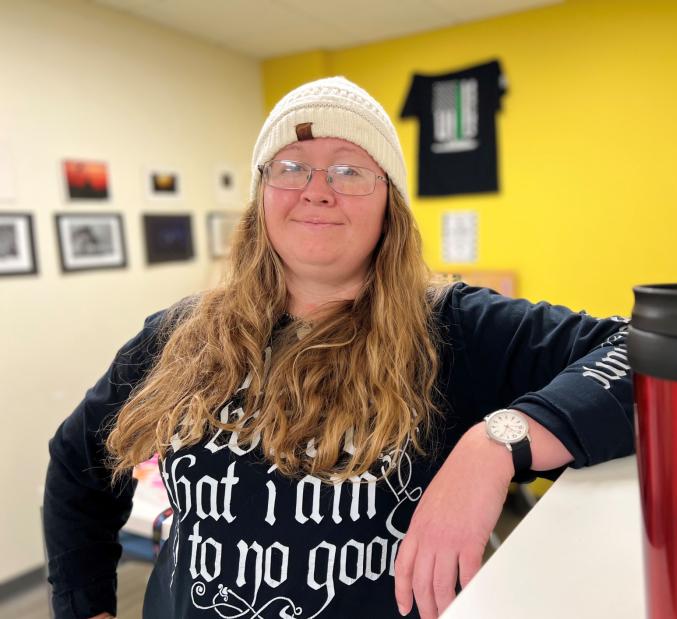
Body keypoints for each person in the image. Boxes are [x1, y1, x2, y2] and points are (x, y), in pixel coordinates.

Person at [44, 77, 634, 619]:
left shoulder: (458, 327)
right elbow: (79, 463)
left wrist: (496, 443)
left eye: (350, 171)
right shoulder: (182, 333)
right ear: (262, 197)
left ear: (389, 205)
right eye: (291, 166)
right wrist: (87, 607)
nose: (317, 191)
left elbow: (644, 350)